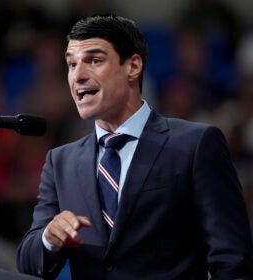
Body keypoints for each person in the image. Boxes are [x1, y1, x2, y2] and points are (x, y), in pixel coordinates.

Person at [16, 14, 253, 279]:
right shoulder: (60, 162)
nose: (78, 75)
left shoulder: (195, 144)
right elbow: (28, 262)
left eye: (94, 61)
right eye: (71, 65)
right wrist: (49, 237)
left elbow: (232, 259)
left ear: (133, 66)